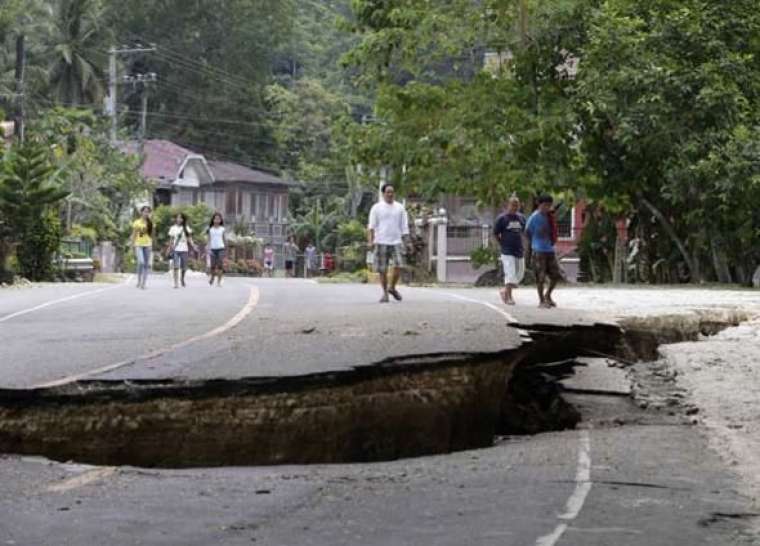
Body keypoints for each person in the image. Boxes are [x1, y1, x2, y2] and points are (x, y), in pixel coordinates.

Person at [367, 183, 410, 303]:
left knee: (399, 265)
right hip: (381, 241)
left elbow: (404, 226)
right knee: (382, 269)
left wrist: (407, 241)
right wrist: (370, 241)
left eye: (392, 192)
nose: (390, 194)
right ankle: (385, 293)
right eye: (388, 192)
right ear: (383, 193)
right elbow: (371, 227)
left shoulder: (400, 208)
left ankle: (392, 287)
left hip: (396, 241)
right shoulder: (376, 208)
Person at [525, 195, 563, 308]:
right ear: (539, 204)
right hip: (538, 250)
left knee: (555, 275)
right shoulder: (534, 217)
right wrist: (533, 243)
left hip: (549, 249)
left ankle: (548, 295)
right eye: (545, 205)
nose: (547, 207)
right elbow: (527, 232)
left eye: (549, 205)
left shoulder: (549, 216)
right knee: (540, 277)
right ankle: (541, 300)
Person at [493, 196, 526, 305]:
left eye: (517, 205)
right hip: (507, 250)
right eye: (513, 205)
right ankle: (509, 297)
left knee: (519, 274)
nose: (515, 207)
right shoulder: (502, 218)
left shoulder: (521, 218)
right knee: (510, 273)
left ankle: (504, 291)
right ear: (508, 205)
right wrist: (501, 243)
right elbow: (495, 233)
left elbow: (525, 232)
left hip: (519, 249)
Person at [167, 213, 194, 288]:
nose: (179, 219)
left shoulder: (186, 228)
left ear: (183, 219)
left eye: (181, 218)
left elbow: (189, 238)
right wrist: (169, 248)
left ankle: (182, 278)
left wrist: (193, 245)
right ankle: (176, 283)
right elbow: (171, 239)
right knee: (176, 267)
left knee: (184, 267)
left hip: (184, 249)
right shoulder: (173, 228)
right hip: (175, 249)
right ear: (176, 219)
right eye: (178, 218)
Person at [130, 205, 153, 289]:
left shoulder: (150, 223)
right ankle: (139, 280)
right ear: (141, 212)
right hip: (138, 244)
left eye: (148, 212)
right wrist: (132, 245)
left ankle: (143, 283)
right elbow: (134, 234)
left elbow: (152, 235)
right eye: (145, 211)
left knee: (146, 265)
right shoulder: (137, 222)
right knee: (141, 262)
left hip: (148, 245)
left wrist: (151, 245)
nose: (146, 213)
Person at [206, 212, 226, 287]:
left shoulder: (222, 229)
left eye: (218, 219)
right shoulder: (210, 229)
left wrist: (225, 249)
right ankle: (212, 277)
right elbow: (208, 240)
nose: (217, 220)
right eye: (215, 218)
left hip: (221, 248)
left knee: (220, 265)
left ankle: (219, 282)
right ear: (213, 220)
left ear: (220, 220)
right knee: (212, 266)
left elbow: (224, 239)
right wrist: (208, 248)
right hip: (213, 249)